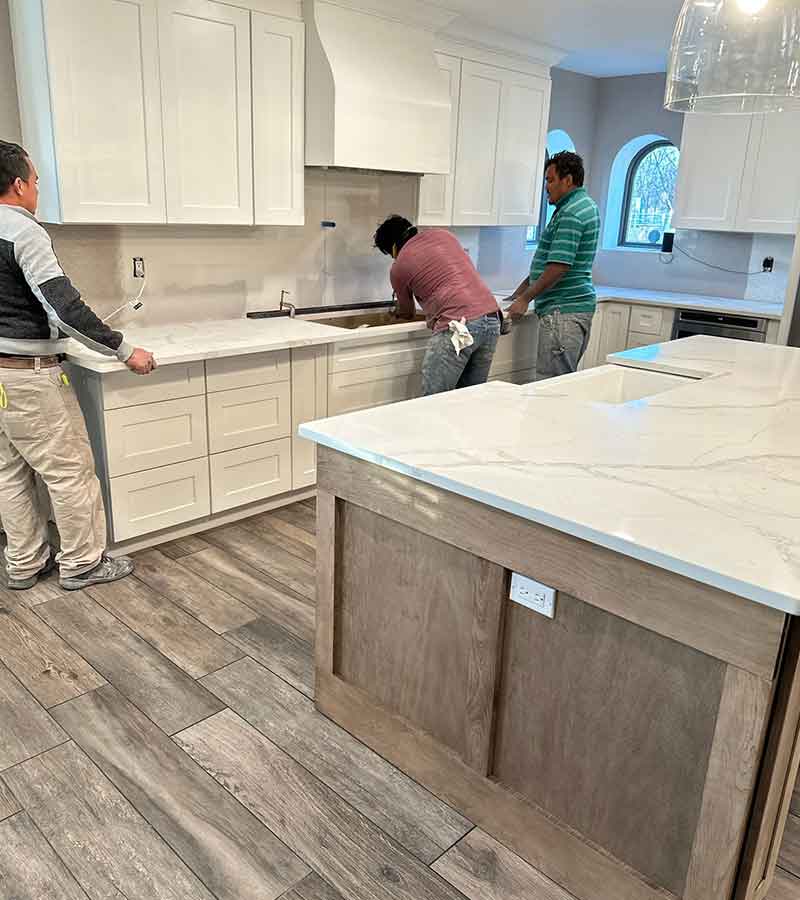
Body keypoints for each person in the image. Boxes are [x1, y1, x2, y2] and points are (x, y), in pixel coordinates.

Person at [0, 140, 156, 591]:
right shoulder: (23, 230)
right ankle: (83, 563)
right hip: (25, 373)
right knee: (69, 472)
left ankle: (24, 563)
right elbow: (64, 308)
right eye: (35, 181)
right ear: (18, 184)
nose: (36, 190)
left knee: (9, 472)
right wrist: (125, 349)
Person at [374, 215, 501, 395]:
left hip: (457, 327)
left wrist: (392, 316)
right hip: (491, 319)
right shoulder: (444, 235)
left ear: (393, 247)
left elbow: (407, 312)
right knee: (470, 399)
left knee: (434, 401)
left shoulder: (399, 266)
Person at [505, 151, 600, 379]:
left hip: (562, 313)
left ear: (567, 180)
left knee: (550, 390)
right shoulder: (580, 206)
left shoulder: (571, 213)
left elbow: (558, 267)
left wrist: (525, 299)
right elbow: (548, 262)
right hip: (571, 310)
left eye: (550, 180)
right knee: (558, 385)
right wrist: (517, 295)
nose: (546, 186)